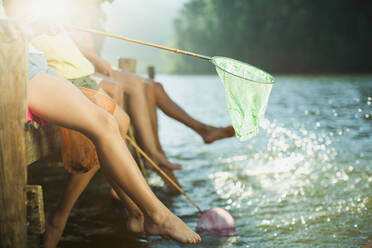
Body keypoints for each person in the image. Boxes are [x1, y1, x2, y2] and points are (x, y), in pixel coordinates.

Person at [2, 1, 201, 246]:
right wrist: (31, 28)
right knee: (104, 124)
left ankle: (140, 213)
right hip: (13, 64)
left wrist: (35, 27)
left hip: (32, 60)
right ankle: (157, 215)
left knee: (112, 121)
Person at [69, 0, 235, 170]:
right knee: (137, 84)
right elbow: (68, 42)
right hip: (81, 67)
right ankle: (153, 152)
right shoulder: (78, 7)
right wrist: (96, 59)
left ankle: (198, 132)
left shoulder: (99, 11)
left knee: (154, 86)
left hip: (94, 65)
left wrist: (98, 60)